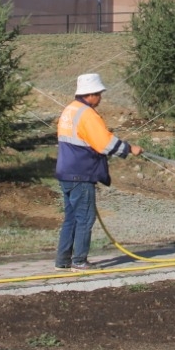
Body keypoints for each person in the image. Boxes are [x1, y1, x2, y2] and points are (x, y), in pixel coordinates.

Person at [54, 73, 142, 270]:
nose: (101, 97)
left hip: (65, 172)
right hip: (81, 174)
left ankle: (63, 261)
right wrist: (129, 149)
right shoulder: (87, 114)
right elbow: (104, 143)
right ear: (90, 94)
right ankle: (79, 261)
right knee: (85, 218)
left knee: (71, 218)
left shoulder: (70, 110)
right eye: (99, 94)